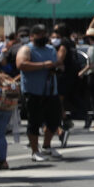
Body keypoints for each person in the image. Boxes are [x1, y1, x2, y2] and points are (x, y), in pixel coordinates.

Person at [16, 23, 64, 163]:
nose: (43, 37)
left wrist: (56, 67)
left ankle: (47, 146)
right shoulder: (27, 49)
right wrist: (43, 66)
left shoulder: (50, 49)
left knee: (54, 121)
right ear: (32, 36)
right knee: (34, 122)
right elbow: (21, 64)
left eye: (44, 34)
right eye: (39, 35)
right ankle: (35, 151)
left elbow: (57, 64)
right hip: (33, 92)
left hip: (50, 92)